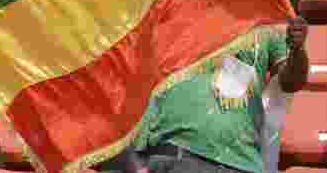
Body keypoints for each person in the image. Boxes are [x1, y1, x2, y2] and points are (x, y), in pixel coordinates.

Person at [132, 15, 309, 173]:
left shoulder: (263, 24)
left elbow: (291, 82)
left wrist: (297, 50)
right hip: (175, 153)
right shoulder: (172, 6)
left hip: (239, 160)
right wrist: (138, 162)